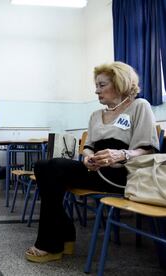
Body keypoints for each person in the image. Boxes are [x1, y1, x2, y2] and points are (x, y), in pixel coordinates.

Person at [25, 61, 160, 263]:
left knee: (52, 169)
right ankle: (64, 232)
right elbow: (88, 146)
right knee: (43, 166)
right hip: (96, 170)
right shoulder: (96, 115)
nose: (97, 91)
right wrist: (87, 157)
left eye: (102, 85)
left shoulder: (140, 106)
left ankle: (53, 242)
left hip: (122, 173)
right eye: (96, 85)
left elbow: (147, 150)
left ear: (120, 83)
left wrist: (121, 154)